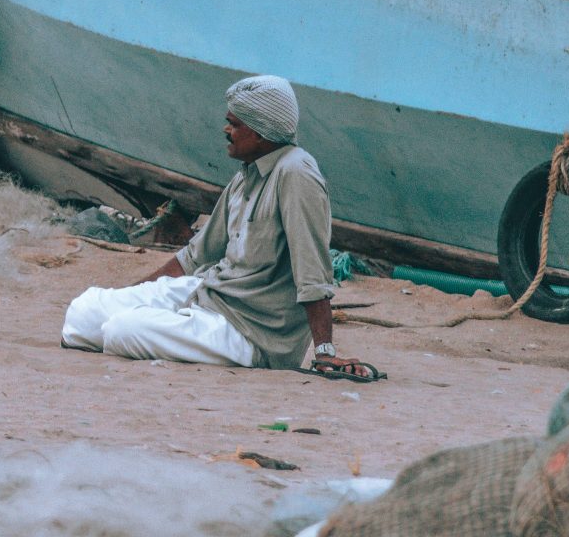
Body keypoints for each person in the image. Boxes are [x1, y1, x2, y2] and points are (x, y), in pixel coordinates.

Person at [61, 75, 383, 380]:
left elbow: (313, 273)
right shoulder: (245, 176)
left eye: (234, 124)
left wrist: (324, 353)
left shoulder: (296, 174)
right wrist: (135, 294)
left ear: (260, 132)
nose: (225, 130)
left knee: (121, 329)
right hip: (208, 294)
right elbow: (195, 256)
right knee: (83, 314)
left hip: (249, 334)